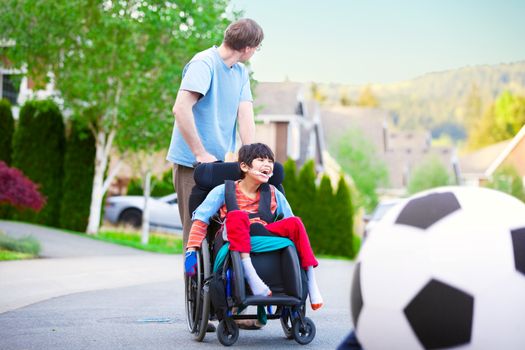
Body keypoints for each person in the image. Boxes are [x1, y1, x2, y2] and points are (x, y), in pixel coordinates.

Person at [184, 143, 324, 310]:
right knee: (238, 215)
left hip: (262, 232)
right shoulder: (223, 190)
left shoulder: (273, 192)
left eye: (270, 161)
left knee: (296, 222)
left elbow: (289, 219)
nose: (267, 164)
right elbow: (201, 219)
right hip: (233, 233)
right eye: (261, 160)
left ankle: (311, 281)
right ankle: (251, 276)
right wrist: (191, 250)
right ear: (244, 166)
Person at [166, 18, 264, 249]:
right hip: (193, 165)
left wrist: (254, 161)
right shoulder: (204, 63)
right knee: (195, 237)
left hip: (219, 165)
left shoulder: (240, 73)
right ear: (248, 48)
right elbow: (180, 108)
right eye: (257, 48)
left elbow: (246, 119)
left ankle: (217, 286)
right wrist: (200, 153)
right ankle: (193, 286)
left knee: (221, 233)